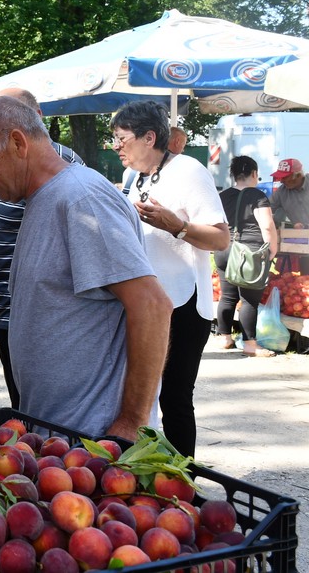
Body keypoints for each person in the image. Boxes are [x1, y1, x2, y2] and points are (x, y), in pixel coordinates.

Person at [0, 95, 172, 439]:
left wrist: (131, 423)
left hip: (93, 443)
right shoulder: (44, 198)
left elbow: (152, 305)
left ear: (18, 142)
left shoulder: (82, 199)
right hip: (59, 439)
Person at [111, 100, 230, 457]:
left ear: (149, 138)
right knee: (138, 395)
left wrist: (176, 226)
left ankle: (183, 486)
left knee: (175, 397)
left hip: (183, 303)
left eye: (121, 138)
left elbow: (221, 237)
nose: (116, 146)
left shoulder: (189, 170)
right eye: (113, 138)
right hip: (146, 303)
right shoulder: (134, 178)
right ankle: (148, 478)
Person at [0, 88, 83, 408]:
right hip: (9, 309)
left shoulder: (59, 163)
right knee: (24, 409)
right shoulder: (11, 164)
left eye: (9, 116)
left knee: (38, 414)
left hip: (30, 314)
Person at [215, 156, 278, 357]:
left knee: (227, 296)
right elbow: (267, 225)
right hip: (248, 252)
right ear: (254, 173)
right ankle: (250, 344)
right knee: (249, 299)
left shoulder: (223, 196)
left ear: (233, 175)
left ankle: (225, 338)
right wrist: (272, 249)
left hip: (224, 249)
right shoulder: (257, 195)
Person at [270, 157, 309, 273]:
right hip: (303, 241)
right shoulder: (282, 191)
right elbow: (266, 208)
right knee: (306, 277)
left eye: (284, 177)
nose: (281, 181)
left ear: (297, 175)